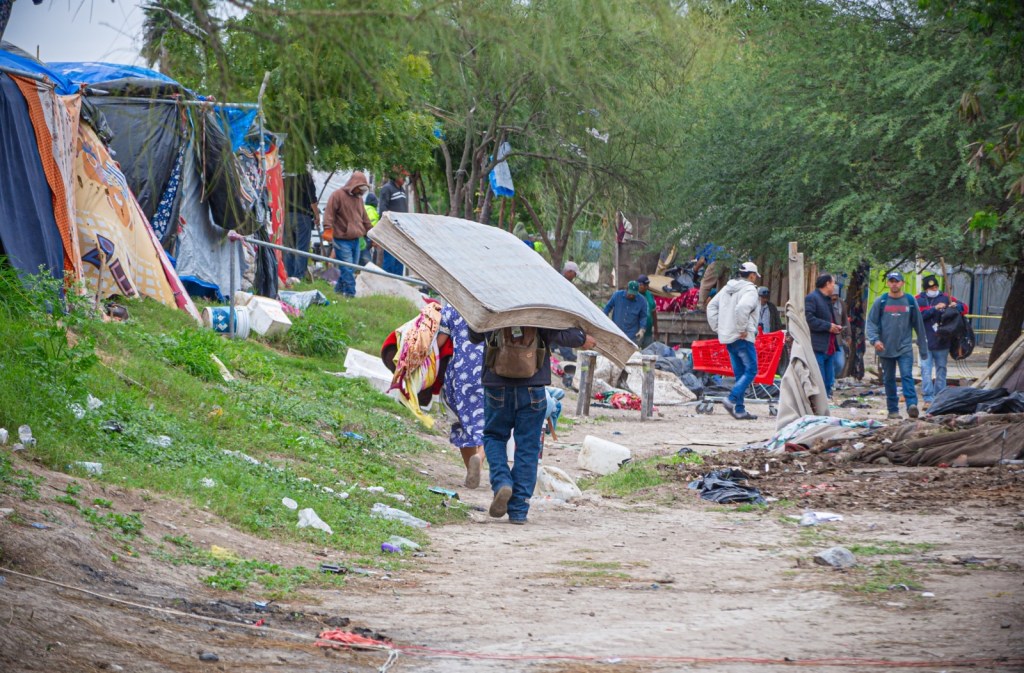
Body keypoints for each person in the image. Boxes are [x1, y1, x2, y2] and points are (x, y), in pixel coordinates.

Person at [468, 325, 595, 524]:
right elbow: (561, 334)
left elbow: (475, 334)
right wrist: (581, 337)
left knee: (494, 436)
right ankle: (518, 510)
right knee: (527, 446)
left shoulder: (493, 302)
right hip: (533, 385)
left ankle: (502, 482)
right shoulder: (538, 305)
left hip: (496, 384)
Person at [866, 271, 929, 420]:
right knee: (889, 379)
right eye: (891, 281)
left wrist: (923, 348)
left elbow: (918, 325)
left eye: (897, 281)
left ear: (902, 283)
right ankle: (893, 410)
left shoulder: (910, 301)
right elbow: (871, 324)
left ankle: (911, 405)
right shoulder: (880, 301)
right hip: (885, 348)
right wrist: (875, 340)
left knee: (907, 375)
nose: (894, 284)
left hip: (905, 347)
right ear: (888, 283)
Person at [438, 304, 486, 489]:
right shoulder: (492, 306)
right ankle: (479, 458)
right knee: (490, 424)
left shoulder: (452, 308)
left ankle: (471, 472)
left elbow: (440, 342)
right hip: (488, 372)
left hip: (459, 374)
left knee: (463, 423)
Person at [706, 262, 761, 420]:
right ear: (751, 275)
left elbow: (711, 307)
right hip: (743, 337)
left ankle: (740, 409)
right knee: (751, 370)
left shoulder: (726, 288)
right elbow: (742, 308)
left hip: (728, 337)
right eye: (755, 276)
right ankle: (731, 400)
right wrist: (742, 328)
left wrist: (719, 327)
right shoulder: (750, 290)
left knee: (740, 374)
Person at [915, 274, 966, 406]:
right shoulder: (918, 299)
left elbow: (964, 308)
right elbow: (917, 316)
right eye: (931, 287)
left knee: (941, 369)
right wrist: (934, 309)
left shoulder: (946, 297)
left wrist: (956, 306)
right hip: (925, 341)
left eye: (936, 286)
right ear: (926, 288)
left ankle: (940, 396)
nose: (934, 289)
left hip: (942, 341)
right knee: (926, 370)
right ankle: (928, 398)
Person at [323, 172, 372, 297]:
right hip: (341, 240)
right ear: (354, 184)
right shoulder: (337, 195)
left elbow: (365, 219)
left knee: (350, 269)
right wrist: (328, 229)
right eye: (360, 188)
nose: (361, 192)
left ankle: (338, 292)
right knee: (347, 269)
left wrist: (372, 233)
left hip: (356, 240)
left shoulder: (359, 200)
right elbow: (329, 213)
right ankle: (350, 294)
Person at [805, 273, 843, 400]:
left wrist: (835, 327)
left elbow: (829, 319)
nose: (834, 286)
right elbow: (809, 319)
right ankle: (818, 406)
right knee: (819, 380)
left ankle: (825, 403)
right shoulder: (812, 298)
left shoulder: (827, 299)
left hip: (830, 346)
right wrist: (828, 326)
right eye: (833, 283)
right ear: (827, 284)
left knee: (828, 380)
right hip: (818, 346)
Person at [282, 169, 319, 280]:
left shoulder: (284, 175)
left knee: (289, 247)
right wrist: (317, 215)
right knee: (301, 248)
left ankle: (288, 275)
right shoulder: (306, 176)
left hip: (287, 216)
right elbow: (312, 199)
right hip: (302, 216)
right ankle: (298, 277)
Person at [377, 168, 409, 276]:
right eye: (403, 177)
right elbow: (382, 210)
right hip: (391, 231)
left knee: (400, 260)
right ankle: (387, 285)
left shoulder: (402, 190)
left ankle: (398, 283)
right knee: (389, 260)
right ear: (396, 176)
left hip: (402, 231)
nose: (404, 179)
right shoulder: (387, 189)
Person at [830, 288, 851, 380]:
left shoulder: (841, 304)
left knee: (839, 363)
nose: (834, 298)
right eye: (832, 296)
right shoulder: (822, 303)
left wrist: (848, 335)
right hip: (826, 339)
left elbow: (845, 320)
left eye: (836, 296)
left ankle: (831, 378)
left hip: (838, 339)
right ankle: (829, 382)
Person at [636, 275, 658, 348]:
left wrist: (655, 329)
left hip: (648, 332)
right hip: (637, 332)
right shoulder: (634, 295)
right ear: (639, 284)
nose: (646, 287)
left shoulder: (649, 295)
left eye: (647, 285)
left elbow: (654, 313)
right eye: (644, 285)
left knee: (648, 354)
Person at [359, 191, 379, 267]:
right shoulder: (373, 211)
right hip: (367, 237)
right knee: (367, 260)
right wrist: (374, 240)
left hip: (357, 236)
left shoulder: (362, 207)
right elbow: (373, 227)